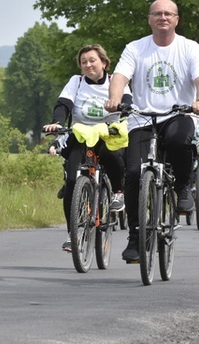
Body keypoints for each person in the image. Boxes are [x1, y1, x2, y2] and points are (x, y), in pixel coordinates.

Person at [104, 0, 199, 262]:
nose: (163, 17)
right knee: (131, 173)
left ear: (176, 19)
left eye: (168, 13)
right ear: (149, 19)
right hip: (142, 118)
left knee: (179, 141)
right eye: (157, 13)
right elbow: (120, 77)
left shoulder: (190, 48)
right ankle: (135, 237)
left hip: (179, 114)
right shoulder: (135, 48)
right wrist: (114, 98)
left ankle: (183, 188)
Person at [42, 44, 132, 251]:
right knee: (73, 181)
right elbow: (63, 104)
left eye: (92, 60)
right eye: (84, 62)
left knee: (109, 155)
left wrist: (124, 112)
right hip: (81, 134)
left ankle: (118, 192)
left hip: (108, 134)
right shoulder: (77, 81)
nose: (88, 65)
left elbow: (127, 100)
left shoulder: (114, 81)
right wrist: (56, 122)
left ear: (104, 62)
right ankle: (73, 234)